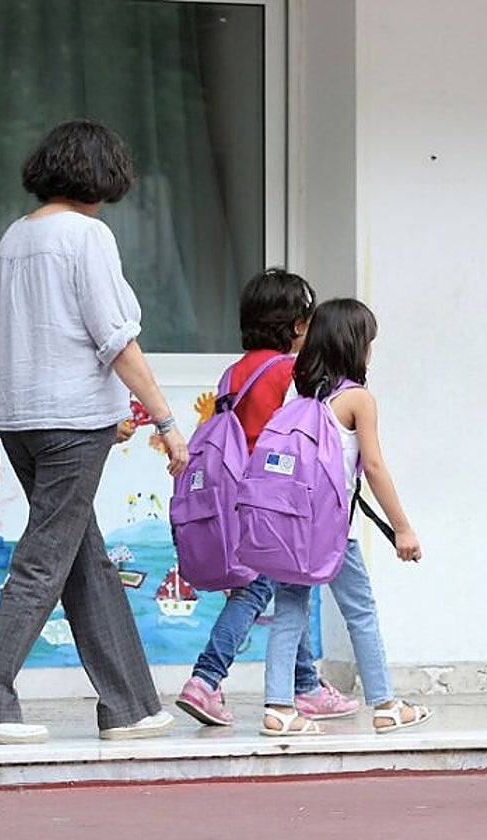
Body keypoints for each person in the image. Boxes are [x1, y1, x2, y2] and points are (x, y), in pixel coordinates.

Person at [0, 120, 189, 744]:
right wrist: (167, 421)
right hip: (73, 426)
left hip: (20, 426)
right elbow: (118, 339)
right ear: (103, 174)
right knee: (43, 561)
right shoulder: (88, 236)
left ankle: (131, 705)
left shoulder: (12, 240)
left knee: (84, 560)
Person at [175, 269, 359, 726]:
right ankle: (205, 678)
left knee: (278, 586)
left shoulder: (232, 372)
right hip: (270, 501)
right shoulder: (286, 372)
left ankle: (306, 685)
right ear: (298, 326)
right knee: (258, 589)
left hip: (229, 495)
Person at [260, 299, 429, 736]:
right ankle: (386, 704)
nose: (371, 349)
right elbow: (373, 468)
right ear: (355, 345)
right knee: (361, 611)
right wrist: (402, 527)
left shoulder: (295, 392)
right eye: (369, 341)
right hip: (333, 529)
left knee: (290, 609)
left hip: (290, 524)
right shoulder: (357, 399)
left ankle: (278, 707)